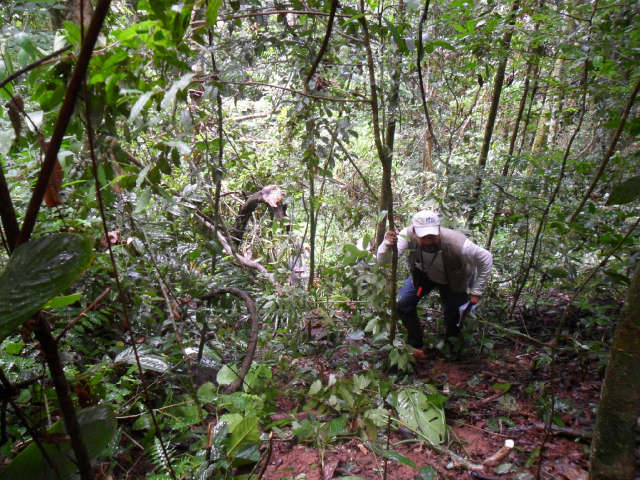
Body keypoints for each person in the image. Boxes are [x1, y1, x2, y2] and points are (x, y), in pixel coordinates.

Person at [377, 210, 493, 354]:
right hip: (425, 274)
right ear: (414, 233)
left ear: (439, 231)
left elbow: (486, 258)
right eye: (423, 237)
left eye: (432, 236)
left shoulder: (457, 244)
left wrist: (476, 291)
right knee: (403, 303)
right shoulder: (406, 235)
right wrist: (386, 245)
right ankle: (415, 341)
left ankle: (451, 348)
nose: (428, 242)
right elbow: (384, 262)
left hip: (455, 278)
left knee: (453, 316)